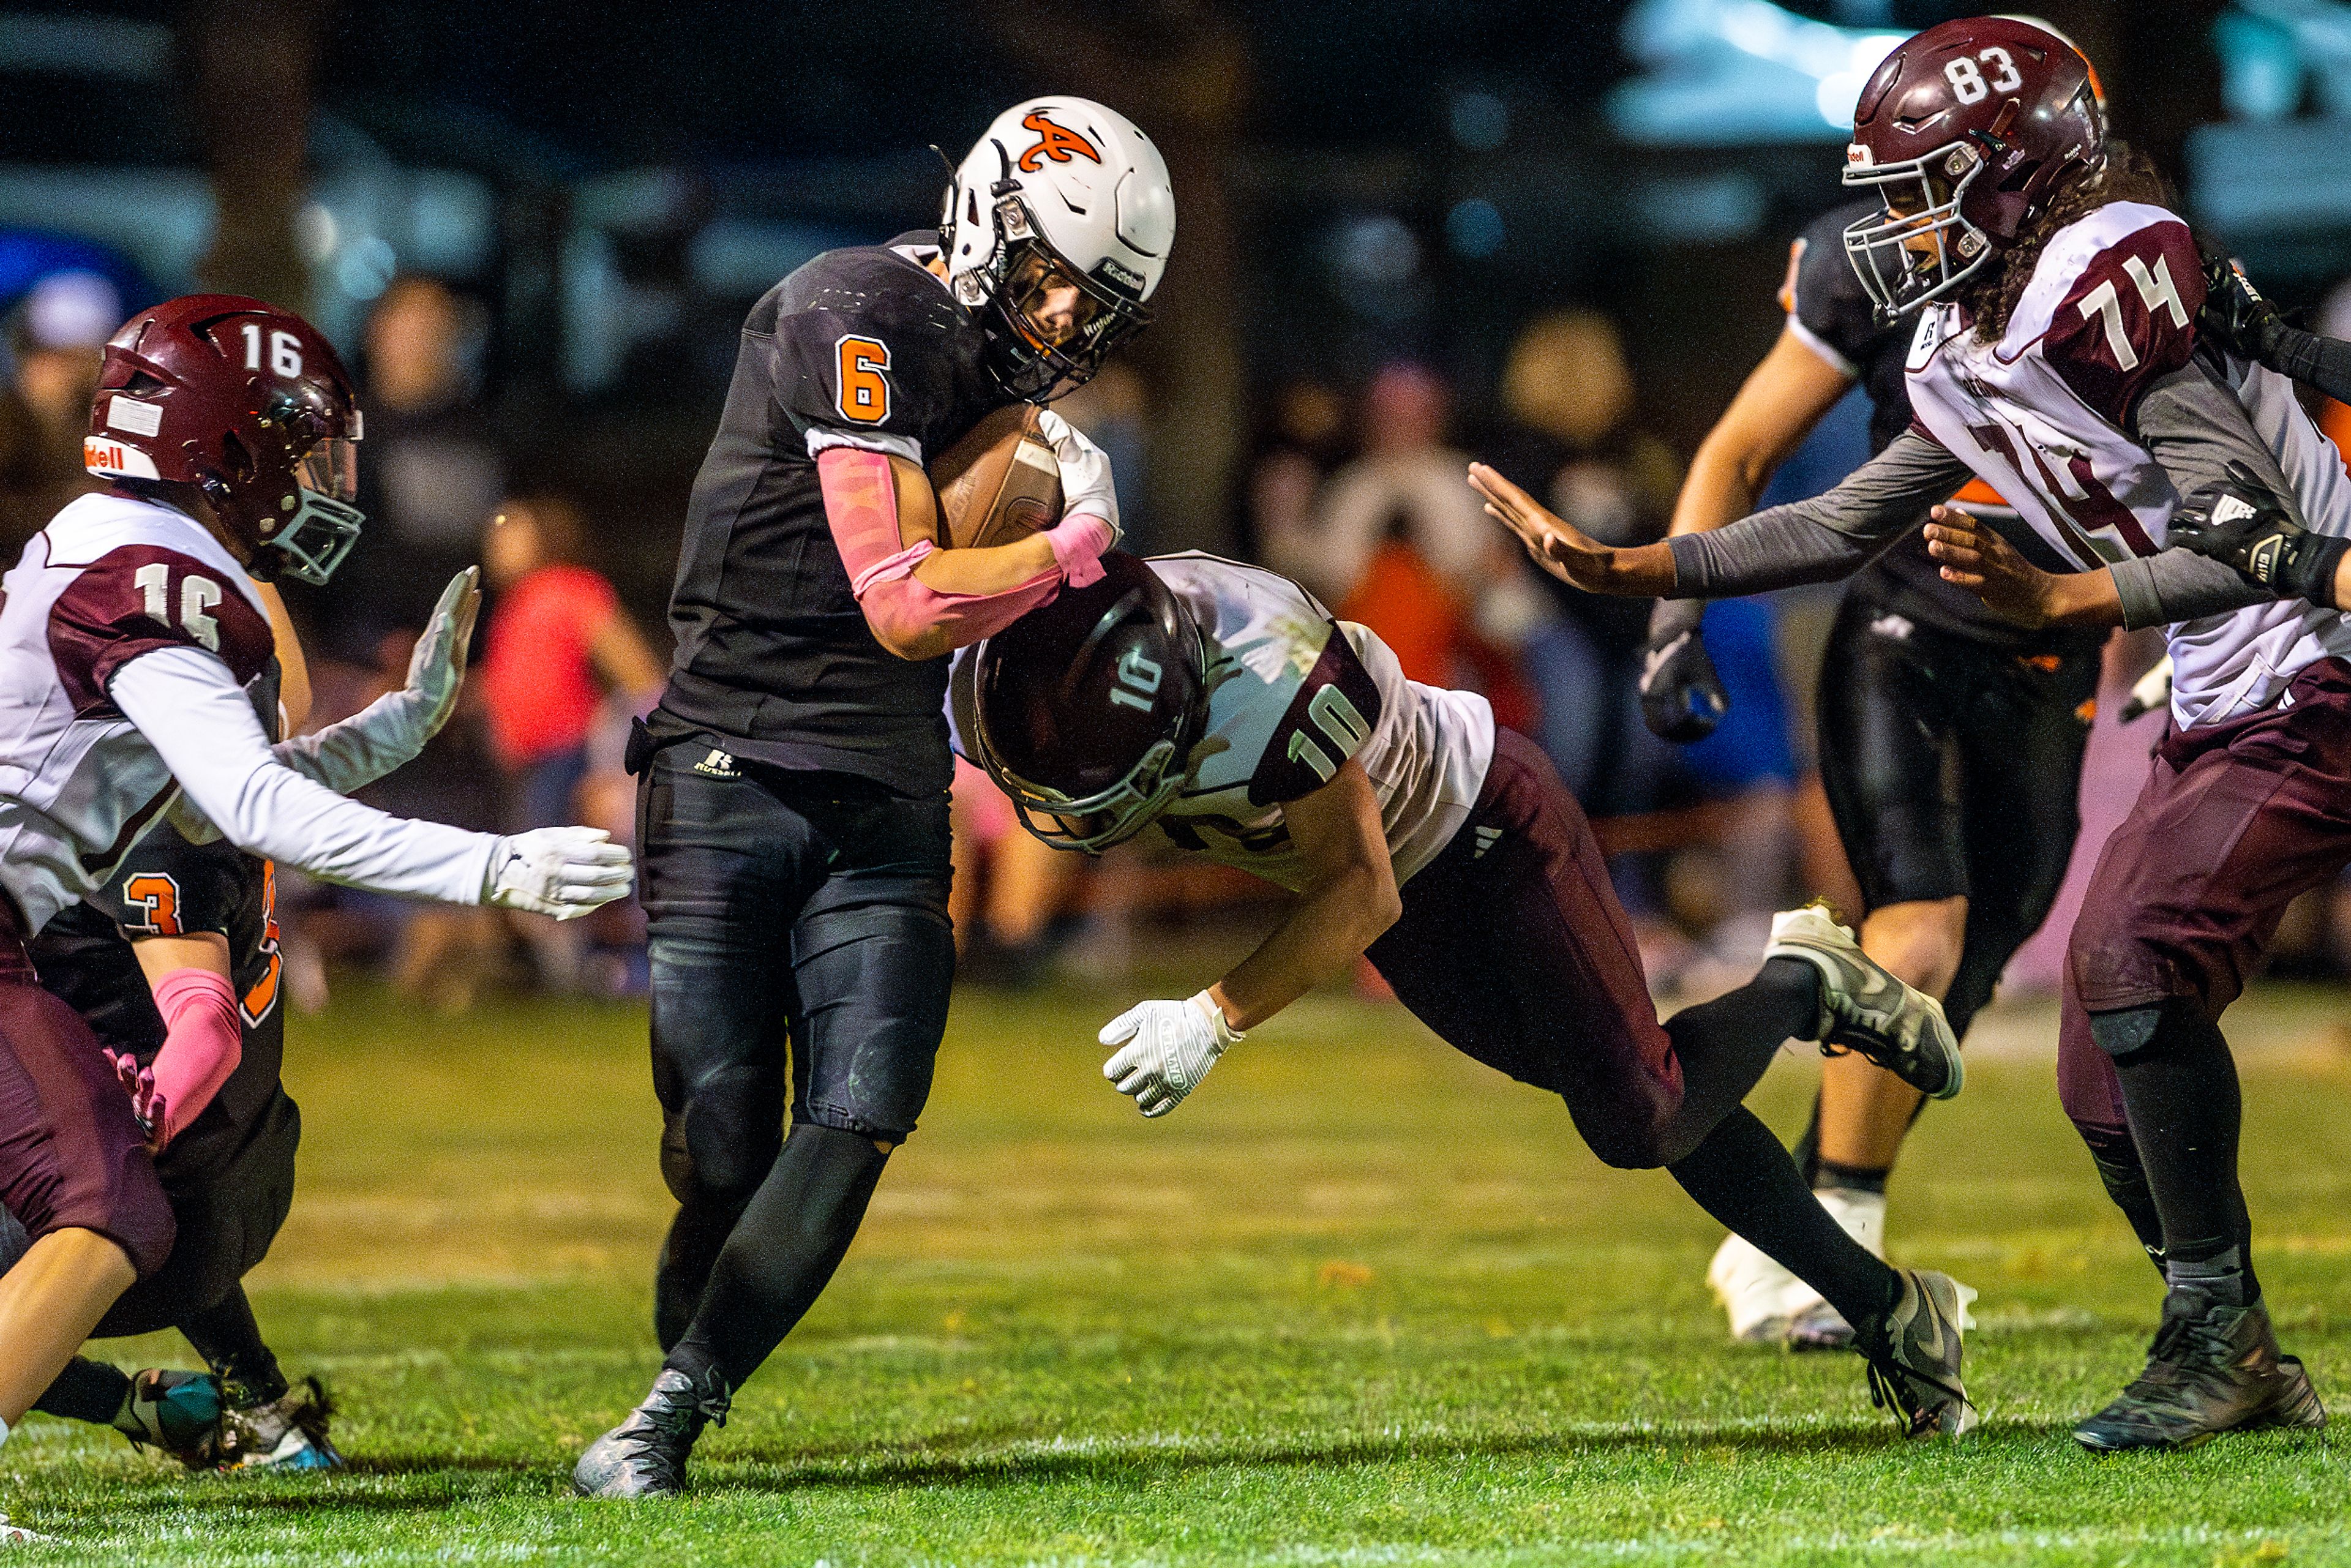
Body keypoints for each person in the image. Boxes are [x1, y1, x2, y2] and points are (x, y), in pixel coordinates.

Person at [1468, 15, 2349, 1452]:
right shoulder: (1964, 331)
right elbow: (1845, 513)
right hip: (2223, 679)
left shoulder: (2101, 269)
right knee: (2097, 1066)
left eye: (1919, 184)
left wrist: (2063, 589)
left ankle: (2213, 1335)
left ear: (2010, 177)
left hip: (2316, 653)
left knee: (2128, 961)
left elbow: (2250, 531)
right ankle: (2228, 1332)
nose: (1891, 223)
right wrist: (1640, 572)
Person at [955, 550, 1978, 1439]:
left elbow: (1359, 890)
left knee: (1646, 1111)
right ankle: (1893, 1311)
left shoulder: (1276, 683)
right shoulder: (1022, 659)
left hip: (1484, 824)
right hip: (1405, 886)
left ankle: (1803, 978)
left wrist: (1212, 1016)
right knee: (1643, 1100)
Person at [574, 97, 1158, 1499]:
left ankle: (671, 1406)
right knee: (721, 1141)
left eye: (1097, 299)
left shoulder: (1014, 409)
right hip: (731, 752)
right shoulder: (855, 307)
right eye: (1047, 273)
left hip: (889, 778)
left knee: (864, 1098)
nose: (1065, 315)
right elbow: (898, 601)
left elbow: (964, 642)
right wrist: (1076, 543)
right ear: (985, 222)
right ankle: (691, 1326)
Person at [0, 293, 629, 1540]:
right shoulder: (155, 580)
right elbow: (248, 804)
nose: (321, 478)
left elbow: (199, 791)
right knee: (111, 1208)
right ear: (223, 449)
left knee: (98, 1202)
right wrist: (495, 869)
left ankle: (171, 1402)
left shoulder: (106, 544)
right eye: (300, 447)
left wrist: (397, 724)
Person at [1653, 133, 2109, 1346]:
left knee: (1969, 960)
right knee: (1919, 927)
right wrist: (1674, 612)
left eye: (1932, 170)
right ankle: (1833, 1243)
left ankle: (1794, 1219)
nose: (1903, 206)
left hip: (2053, 652)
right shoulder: (1870, 267)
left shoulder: (2127, 275)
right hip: (1901, 629)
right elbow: (1738, 447)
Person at [21, 569, 479, 1469]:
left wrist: (140, 1112)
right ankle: (260, 1403)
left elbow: (203, 1021)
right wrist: (411, 717)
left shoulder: (141, 818)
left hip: (141, 1217)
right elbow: (316, 755)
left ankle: (135, 1406)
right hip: (243, 1169)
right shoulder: (212, 788)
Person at [478, 494, 666, 989]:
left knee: (548, 873)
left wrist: (627, 746)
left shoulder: (571, 589)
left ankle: (589, 975)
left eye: (510, 528)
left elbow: (636, 671)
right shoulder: (514, 605)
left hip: (567, 755)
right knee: (534, 874)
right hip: (527, 763)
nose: (497, 539)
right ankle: (574, 974)